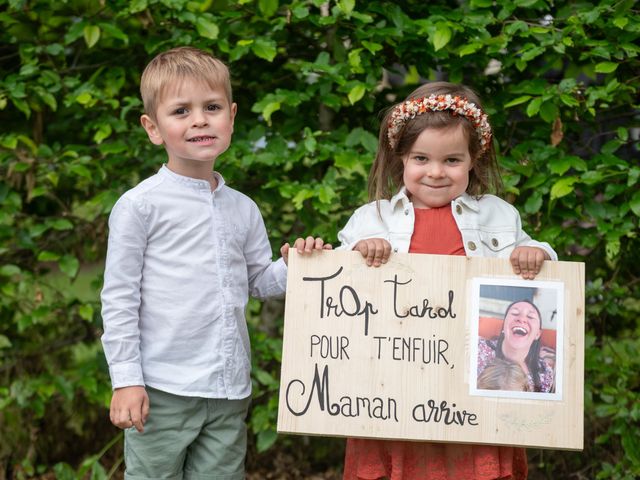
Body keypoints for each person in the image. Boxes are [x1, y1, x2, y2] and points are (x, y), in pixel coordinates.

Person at [100, 46, 329, 480]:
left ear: (232, 117)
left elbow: (259, 281)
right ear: (153, 128)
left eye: (212, 107)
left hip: (227, 387)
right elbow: (119, 299)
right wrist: (126, 379)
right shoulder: (140, 206)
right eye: (181, 111)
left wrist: (298, 264)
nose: (200, 120)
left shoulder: (243, 208)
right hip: (162, 386)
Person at [336, 81, 558, 480]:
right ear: (401, 156)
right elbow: (334, 296)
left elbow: (540, 263)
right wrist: (357, 254)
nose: (436, 172)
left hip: (469, 397)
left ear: (474, 159)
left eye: (452, 160)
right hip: (392, 390)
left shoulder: (498, 217)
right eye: (421, 158)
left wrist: (536, 253)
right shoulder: (373, 220)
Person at [477, 300, 555, 393]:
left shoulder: (545, 373)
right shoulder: (475, 349)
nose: (521, 319)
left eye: (530, 316)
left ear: (537, 334)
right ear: (503, 328)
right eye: (515, 313)